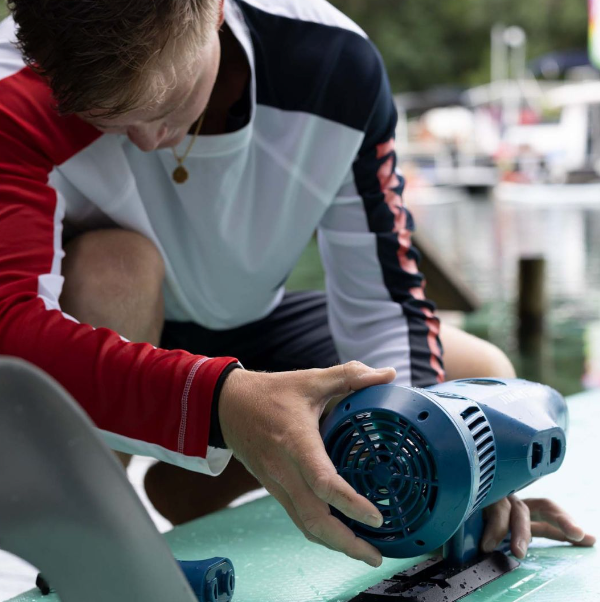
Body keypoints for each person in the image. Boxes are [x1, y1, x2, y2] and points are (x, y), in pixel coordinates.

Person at [0, 0, 593, 569]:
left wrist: (436, 473)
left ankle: (197, 479)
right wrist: (218, 402)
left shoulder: (335, 62)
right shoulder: (13, 84)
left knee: (477, 372)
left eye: (164, 104)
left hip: (258, 323)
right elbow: (11, 330)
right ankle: (91, 535)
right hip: (116, 321)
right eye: (108, 119)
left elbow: (384, 306)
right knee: (116, 267)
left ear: (212, 7)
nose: (148, 142)